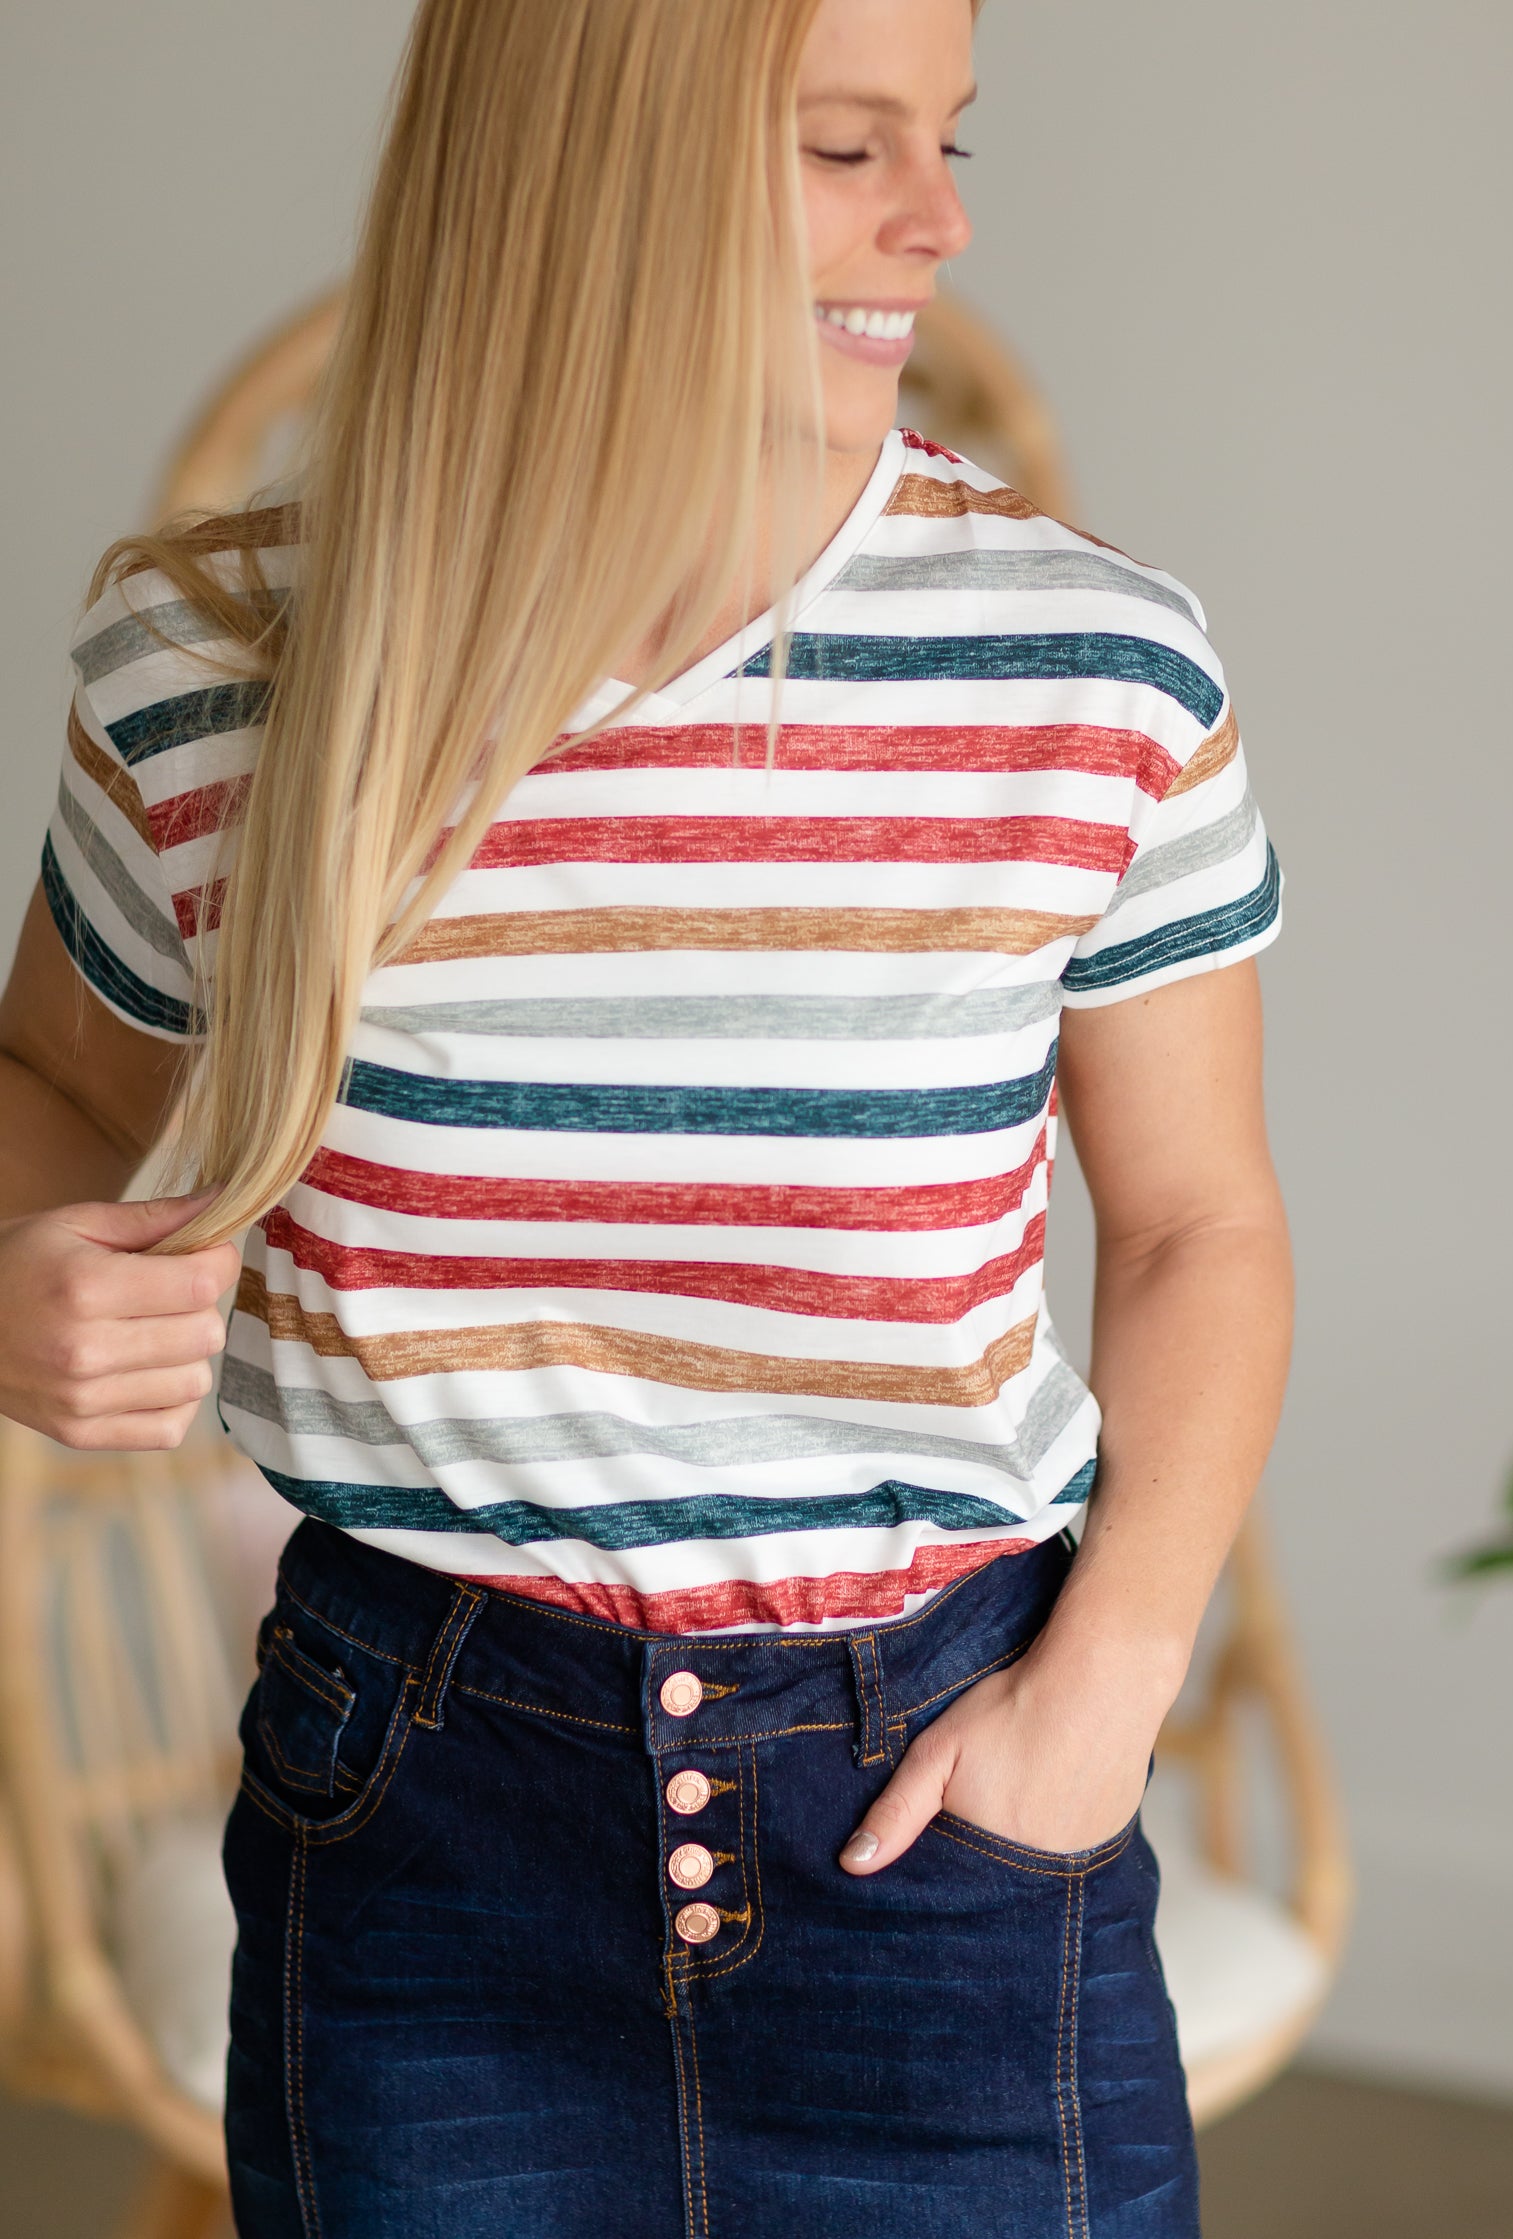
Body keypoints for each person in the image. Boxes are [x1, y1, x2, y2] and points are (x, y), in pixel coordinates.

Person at [0, 0, 1293, 2230]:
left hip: (941, 1823)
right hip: (406, 1837)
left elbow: (1196, 1230)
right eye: (842, 149)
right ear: (591, 173)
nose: (941, 219)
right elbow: (44, 1095)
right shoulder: (210, 670)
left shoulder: (1093, 675)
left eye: (945, 139)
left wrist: (1105, 1688)